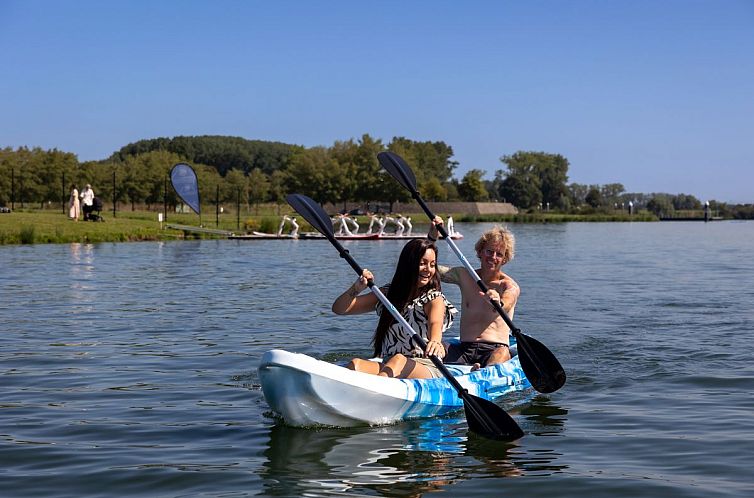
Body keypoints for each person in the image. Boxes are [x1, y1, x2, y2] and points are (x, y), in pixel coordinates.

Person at [331, 238, 457, 379]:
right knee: (356, 364)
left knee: (398, 360)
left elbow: (436, 323)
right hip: (389, 364)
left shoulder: (434, 298)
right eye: (422, 263)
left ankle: (374, 394)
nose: (428, 270)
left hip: (426, 366)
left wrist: (435, 341)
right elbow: (339, 309)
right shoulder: (387, 294)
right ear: (408, 264)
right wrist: (356, 288)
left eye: (432, 265)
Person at [428, 217, 520, 370]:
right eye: (489, 251)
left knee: (502, 353)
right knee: (435, 349)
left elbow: (507, 300)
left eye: (499, 254)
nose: (493, 257)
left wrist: (498, 301)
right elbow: (428, 267)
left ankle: (484, 372)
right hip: (464, 348)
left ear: (505, 259)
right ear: (480, 252)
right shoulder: (464, 275)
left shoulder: (509, 286)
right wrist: (432, 236)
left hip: (494, 349)